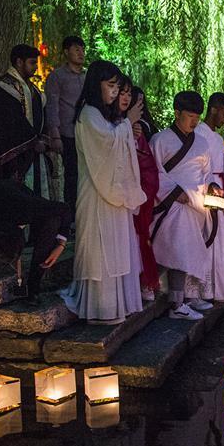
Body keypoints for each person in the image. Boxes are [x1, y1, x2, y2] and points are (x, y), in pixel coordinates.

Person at [60, 60, 147, 324]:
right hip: (96, 192)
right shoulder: (88, 114)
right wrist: (126, 124)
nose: (114, 92)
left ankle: (117, 305)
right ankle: (102, 308)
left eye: (117, 87)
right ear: (95, 85)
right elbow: (106, 147)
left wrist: (124, 127)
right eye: (110, 86)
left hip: (112, 192)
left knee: (116, 246)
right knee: (101, 249)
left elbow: (116, 141)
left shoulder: (104, 116)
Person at [0, 179, 71, 370]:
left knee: (52, 220)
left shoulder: (27, 208)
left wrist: (60, 244)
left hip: (14, 194)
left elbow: (64, 209)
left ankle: (34, 285)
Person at [149, 91, 211, 320]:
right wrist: (175, 192)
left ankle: (176, 300)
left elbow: (206, 175)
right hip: (170, 204)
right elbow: (153, 171)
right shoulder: (160, 140)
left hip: (195, 205)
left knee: (181, 253)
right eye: (190, 116)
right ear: (177, 113)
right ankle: (171, 301)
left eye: (197, 117)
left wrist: (212, 190)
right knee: (173, 250)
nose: (194, 121)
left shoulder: (202, 143)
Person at [185, 92, 224, 306]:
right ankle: (197, 291)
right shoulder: (198, 133)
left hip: (220, 189)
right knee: (206, 238)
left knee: (220, 239)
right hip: (206, 190)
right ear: (214, 109)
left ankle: (217, 290)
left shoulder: (215, 137)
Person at [0, 44, 54, 197]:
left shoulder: (35, 90)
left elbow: (42, 117)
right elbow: (10, 121)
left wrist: (43, 140)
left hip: (36, 152)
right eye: (32, 62)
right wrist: (32, 141)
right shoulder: (4, 88)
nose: (35, 67)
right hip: (15, 155)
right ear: (19, 62)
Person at [44, 35, 86, 211]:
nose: (81, 53)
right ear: (66, 52)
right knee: (71, 175)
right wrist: (54, 133)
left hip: (87, 133)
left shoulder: (88, 76)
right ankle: (70, 216)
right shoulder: (57, 76)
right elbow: (52, 105)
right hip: (68, 133)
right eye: (76, 49)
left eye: (83, 49)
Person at [128, 86, 161, 301]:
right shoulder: (122, 126)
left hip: (143, 185)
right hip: (126, 186)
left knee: (142, 234)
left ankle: (144, 281)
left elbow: (149, 163)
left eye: (142, 101)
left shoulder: (144, 127)